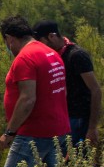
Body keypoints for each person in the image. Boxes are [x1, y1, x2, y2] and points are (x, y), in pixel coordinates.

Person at [0, 16, 70, 167]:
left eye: (7, 42)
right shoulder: (51, 53)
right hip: (57, 129)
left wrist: (10, 132)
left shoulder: (25, 58)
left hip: (34, 132)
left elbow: (27, 99)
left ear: (10, 38)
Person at [33, 20, 100, 150]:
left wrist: (92, 128)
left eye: (42, 41)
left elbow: (95, 89)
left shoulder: (76, 55)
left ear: (52, 36)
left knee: (77, 161)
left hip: (79, 118)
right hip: (63, 119)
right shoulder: (54, 55)